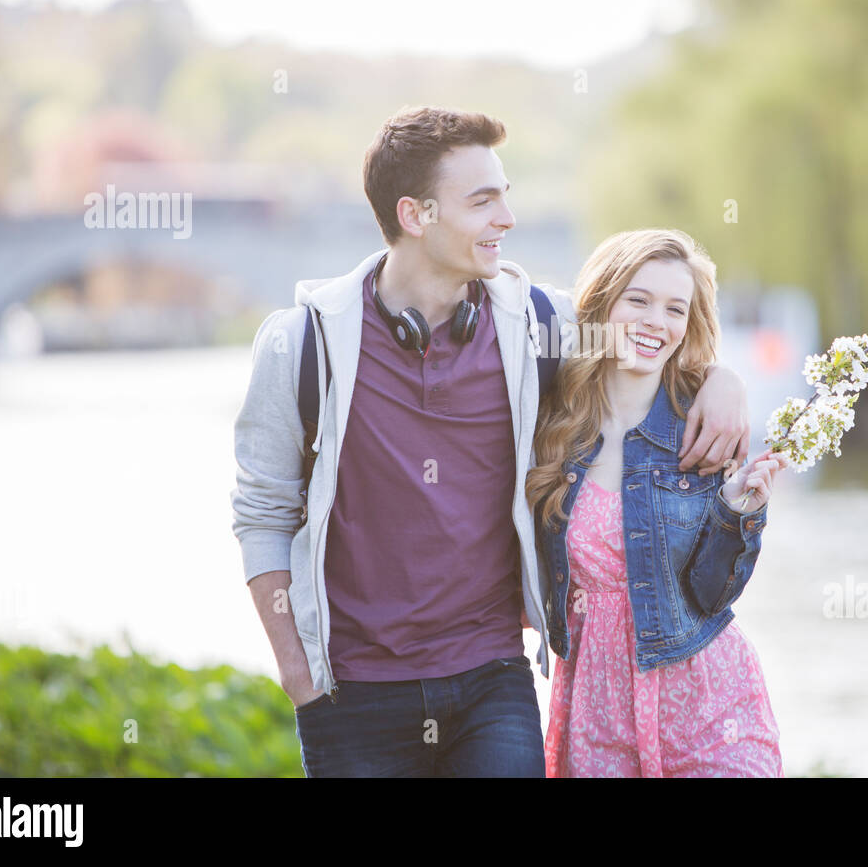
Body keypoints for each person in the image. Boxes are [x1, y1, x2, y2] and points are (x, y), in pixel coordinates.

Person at [230, 107, 754, 777]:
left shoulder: (539, 324)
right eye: (483, 201)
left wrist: (719, 377)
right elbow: (263, 513)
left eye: (505, 195)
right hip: (351, 693)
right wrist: (296, 672)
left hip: (491, 679)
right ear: (417, 215)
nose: (507, 217)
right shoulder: (303, 345)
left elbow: (643, 338)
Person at [528, 228, 787, 777]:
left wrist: (736, 513)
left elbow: (710, 594)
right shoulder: (552, 425)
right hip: (596, 706)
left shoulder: (704, 428)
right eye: (638, 300)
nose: (656, 322)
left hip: (709, 702)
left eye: (675, 308)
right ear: (602, 303)